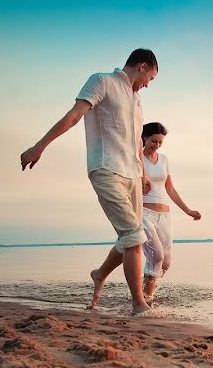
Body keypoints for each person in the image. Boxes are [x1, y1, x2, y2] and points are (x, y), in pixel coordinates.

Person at [20, 49, 158, 316]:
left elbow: (135, 143)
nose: (148, 85)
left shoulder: (137, 100)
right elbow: (74, 115)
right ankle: (139, 305)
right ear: (142, 66)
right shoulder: (101, 81)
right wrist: (40, 146)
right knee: (133, 237)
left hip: (132, 174)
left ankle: (99, 274)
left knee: (129, 238)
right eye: (150, 78)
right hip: (105, 168)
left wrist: (143, 173)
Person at [140, 122, 201, 303]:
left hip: (165, 216)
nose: (157, 145)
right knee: (155, 256)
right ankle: (146, 300)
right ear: (144, 138)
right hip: (143, 213)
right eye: (154, 141)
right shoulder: (136, 159)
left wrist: (187, 210)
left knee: (165, 263)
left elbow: (170, 189)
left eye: (160, 142)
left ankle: (143, 290)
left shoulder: (164, 160)